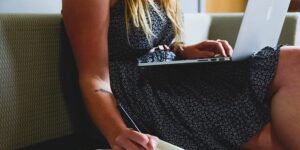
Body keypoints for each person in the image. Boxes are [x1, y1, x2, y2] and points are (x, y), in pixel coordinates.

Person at [62, 0, 300, 149]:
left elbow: (148, 42)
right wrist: (117, 133)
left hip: (166, 75)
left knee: (294, 62)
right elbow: (93, 77)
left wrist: (184, 50)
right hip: (137, 94)